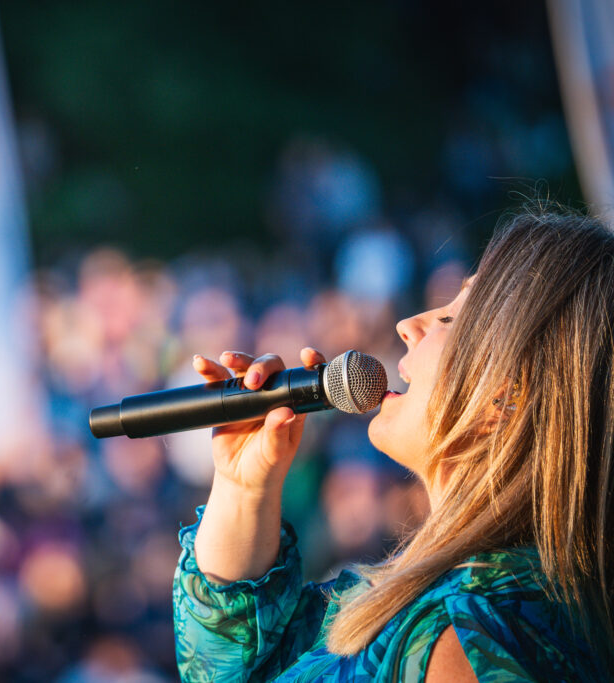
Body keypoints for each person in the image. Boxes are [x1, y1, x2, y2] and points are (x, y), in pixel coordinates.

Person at [172, 209, 614, 681]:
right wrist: (244, 486)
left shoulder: (465, 642)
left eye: (452, 316)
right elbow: (218, 667)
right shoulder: (433, 602)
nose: (408, 324)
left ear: (510, 393)